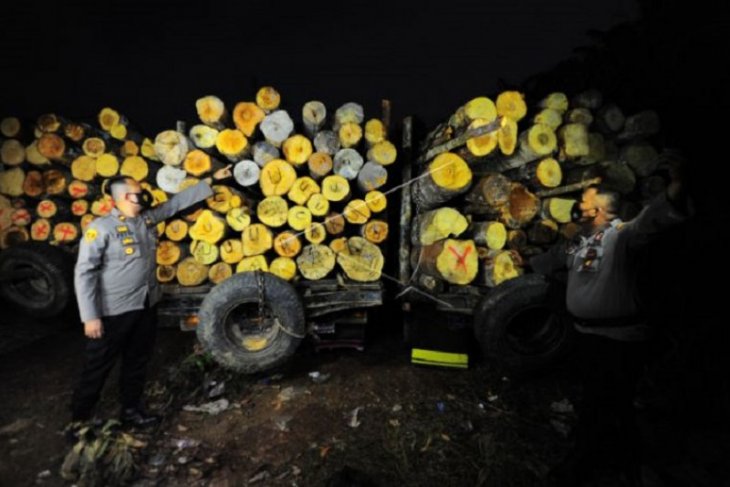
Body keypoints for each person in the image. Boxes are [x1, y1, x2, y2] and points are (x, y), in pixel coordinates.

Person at [531, 161, 691, 486]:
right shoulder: (583, 241)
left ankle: (587, 469)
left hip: (618, 341)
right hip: (587, 337)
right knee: (602, 403)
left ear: (603, 207)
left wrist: (677, 186)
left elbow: (653, 219)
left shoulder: (623, 236)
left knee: (605, 406)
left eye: (587, 201)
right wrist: (523, 262)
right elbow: (553, 261)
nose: (580, 206)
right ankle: (618, 460)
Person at [69, 165, 232, 431]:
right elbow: (84, 273)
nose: (143, 196)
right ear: (122, 198)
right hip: (113, 312)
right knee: (97, 367)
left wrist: (212, 180)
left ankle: (132, 411)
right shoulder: (101, 229)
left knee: (137, 361)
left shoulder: (145, 220)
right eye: (137, 192)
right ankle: (80, 421)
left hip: (145, 305)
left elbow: (175, 204)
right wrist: (90, 317)